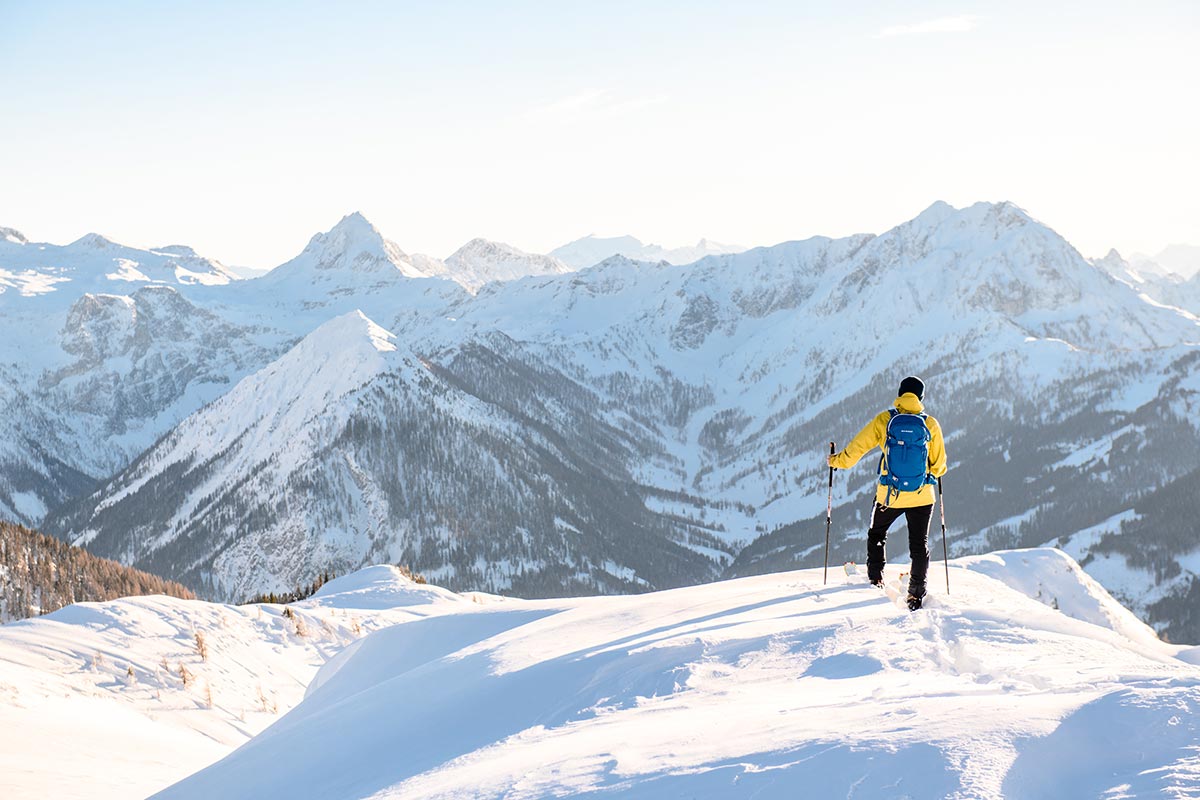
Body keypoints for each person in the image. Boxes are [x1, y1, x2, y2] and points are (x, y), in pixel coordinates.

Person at [828, 376, 947, 609]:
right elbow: (940, 464)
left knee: (877, 533)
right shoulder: (930, 424)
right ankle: (916, 591)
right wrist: (930, 472)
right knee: (918, 544)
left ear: (900, 394)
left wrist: (836, 462)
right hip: (922, 496)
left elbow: (858, 447)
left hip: (889, 494)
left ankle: (875, 578)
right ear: (921, 398)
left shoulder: (885, 420)